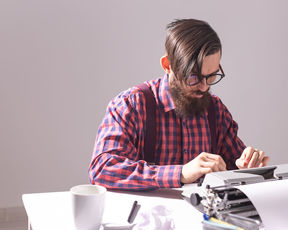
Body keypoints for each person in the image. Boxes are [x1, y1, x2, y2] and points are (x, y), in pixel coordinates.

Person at [89, 19, 269, 190]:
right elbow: (102, 169)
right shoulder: (131, 105)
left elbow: (235, 165)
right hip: (146, 220)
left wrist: (245, 165)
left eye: (212, 76)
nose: (204, 87)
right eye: (194, 77)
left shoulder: (215, 111)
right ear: (167, 65)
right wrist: (180, 173)